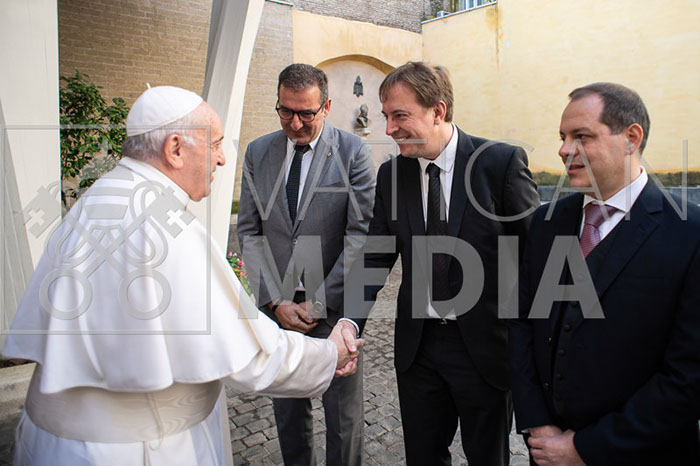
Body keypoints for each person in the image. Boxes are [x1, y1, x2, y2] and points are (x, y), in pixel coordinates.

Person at [2, 85, 362, 466]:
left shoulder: (95, 199)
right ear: (175, 149)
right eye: (215, 144)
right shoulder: (164, 226)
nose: (222, 159)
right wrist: (330, 354)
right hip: (137, 451)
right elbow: (252, 356)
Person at [347, 61, 540, 465]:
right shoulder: (392, 175)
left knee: (487, 458)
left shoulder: (499, 164)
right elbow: (376, 254)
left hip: (485, 351)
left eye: (400, 116)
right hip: (419, 350)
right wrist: (349, 321)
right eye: (386, 116)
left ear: (438, 111)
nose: (389, 128)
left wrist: (531, 346)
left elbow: (536, 257)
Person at [509, 82, 700, 465]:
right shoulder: (547, 222)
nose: (564, 150)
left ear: (631, 138)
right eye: (563, 138)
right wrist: (538, 425)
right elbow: (524, 325)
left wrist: (585, 448)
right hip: (547, 451)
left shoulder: (689, 232)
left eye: (581, 136)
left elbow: (689, 374)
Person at [237, 64, 375, 466]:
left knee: (342, 418)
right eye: (285, 111)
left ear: (326, 107)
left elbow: (360, 235)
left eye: (306, 113)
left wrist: (318, 302)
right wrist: (275, 300)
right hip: (278, 312)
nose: (294, 123)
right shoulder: (258, 152)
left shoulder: (353, 152)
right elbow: (249, 230)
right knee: (288, 415)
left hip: (333, 309)